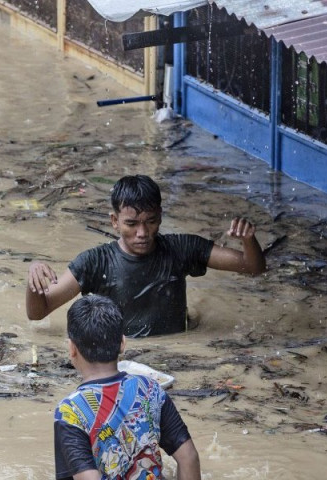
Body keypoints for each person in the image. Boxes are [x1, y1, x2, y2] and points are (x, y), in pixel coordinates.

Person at [26, 174, 266, 337]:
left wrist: (248, 240)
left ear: (160, 217)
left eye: (150, 222)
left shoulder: (182, 248)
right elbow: (38, 312)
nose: (142, 233)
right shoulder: (95, 261)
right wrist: (34, 280)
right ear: (114, 222)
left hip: (177, 346)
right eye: (131, 224)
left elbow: (252, 267)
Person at [54, 294, 201, 480]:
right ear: (123, 343)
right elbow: (189, 458)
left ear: (72, 348)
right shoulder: (150, 389)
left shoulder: (71, 411)